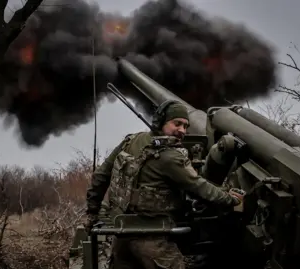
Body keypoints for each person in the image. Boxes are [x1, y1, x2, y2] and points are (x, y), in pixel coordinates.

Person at [85, 100, 244, 269]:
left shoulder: (131, 141)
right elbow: (200, 188)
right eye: (177, 124)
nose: (182, 131)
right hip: (153, 238)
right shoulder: (171, 157)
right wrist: (230, 198)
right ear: (160, 122)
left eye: (185, 126)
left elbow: (101, 177)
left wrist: (92, 212)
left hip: (122, 232)